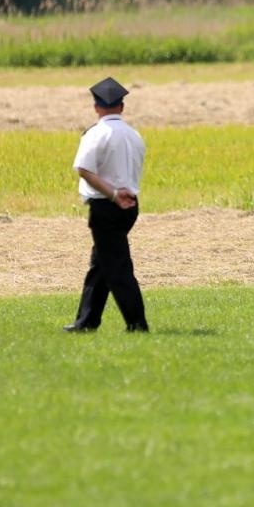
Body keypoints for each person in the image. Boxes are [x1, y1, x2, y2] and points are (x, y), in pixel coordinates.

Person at [65, 76, 150, 333]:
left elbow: (84, 170)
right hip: (130, 205)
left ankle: (137, 323)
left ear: (96, 107)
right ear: (121, 107)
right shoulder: (135, 136)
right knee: (100, 266)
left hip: (107, 205)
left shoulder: (96, 134)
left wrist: (113, 194)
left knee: (117, 267)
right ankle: (86, 321)